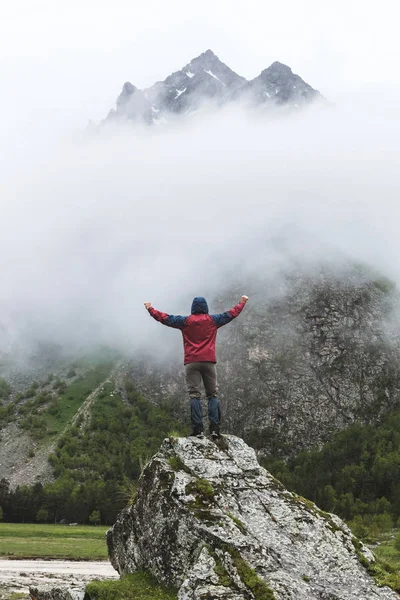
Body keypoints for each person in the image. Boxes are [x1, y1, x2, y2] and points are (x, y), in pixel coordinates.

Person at [144, 295, 248, 438]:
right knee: (212, 395)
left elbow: (165, 318)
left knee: (194, 395)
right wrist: (242, 302)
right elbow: (231, 314)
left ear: (193, 308)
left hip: (191, 362)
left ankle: (198, 430)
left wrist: (150, 309)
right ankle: (214, 429)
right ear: (206, 308)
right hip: (209, 362)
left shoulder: (185, 321)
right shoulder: (213, 320)